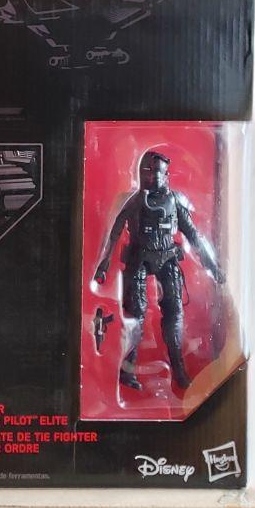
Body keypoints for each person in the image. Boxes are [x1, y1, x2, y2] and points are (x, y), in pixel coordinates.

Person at [94, 151, 224, 390]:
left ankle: (179, 371)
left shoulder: (174, 201)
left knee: (174, 312)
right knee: (136, 313)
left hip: (167, 258)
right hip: (139, 259)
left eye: (158, 172)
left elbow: (194, 236)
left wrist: (212, 267)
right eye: (149, 171)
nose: (154, 176)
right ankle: (127, 370)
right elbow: (114, 233)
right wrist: (104, 265)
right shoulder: (133, 202)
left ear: (167, 175)